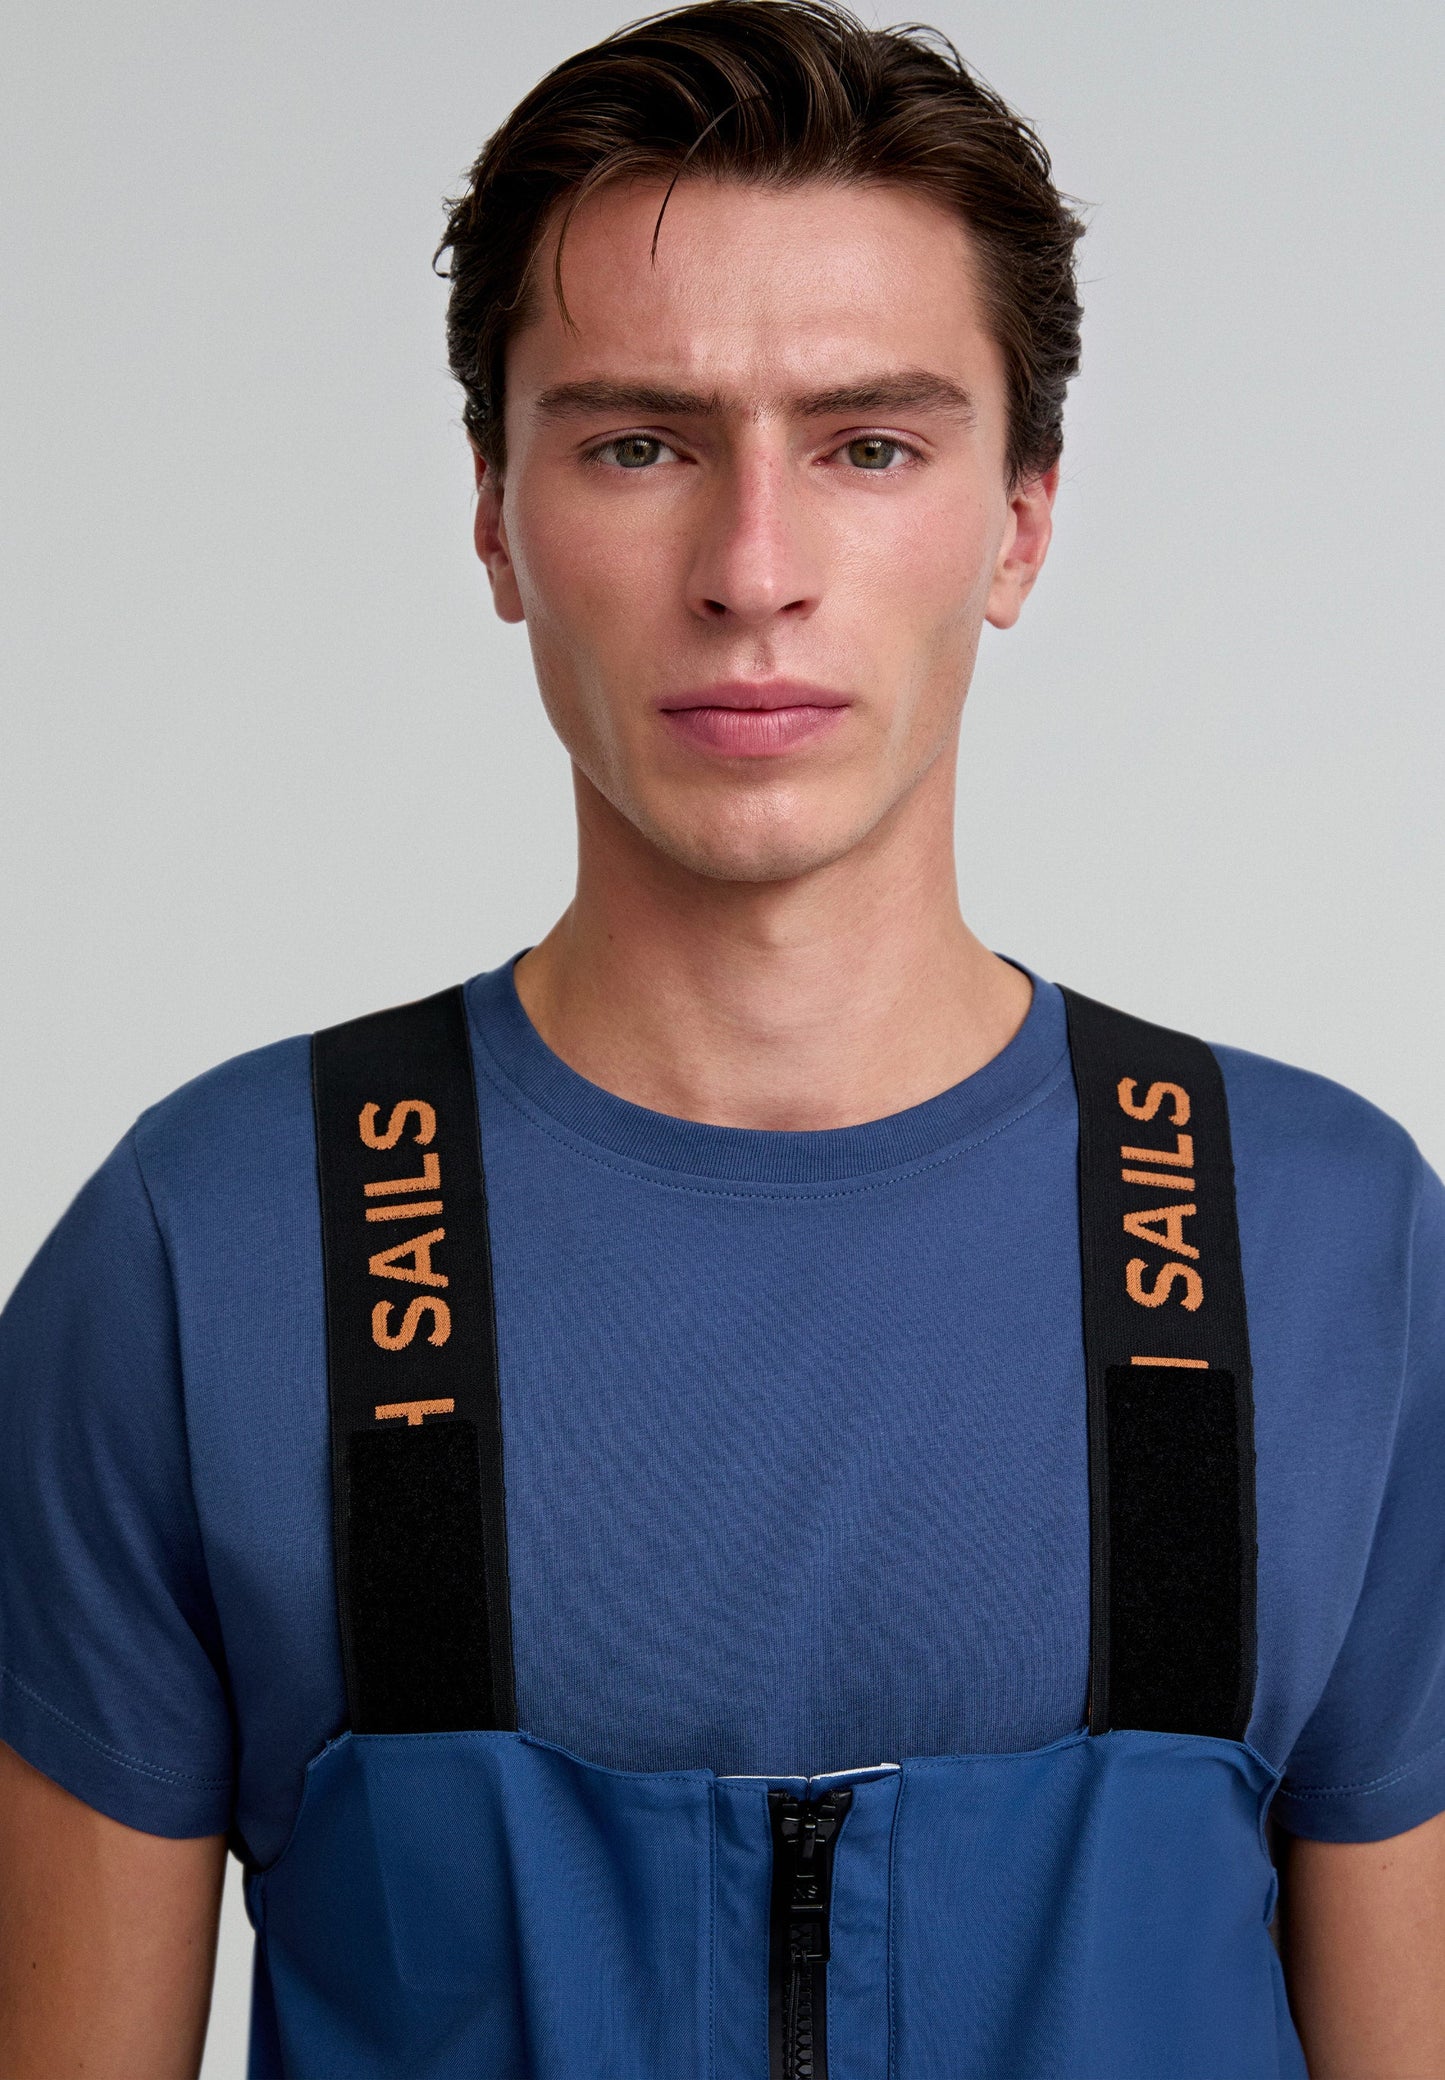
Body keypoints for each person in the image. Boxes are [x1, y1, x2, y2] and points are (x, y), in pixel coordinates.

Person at [2, 3, 1443, 2074]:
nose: (752, 571)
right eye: (639, 443)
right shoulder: (207, 1248)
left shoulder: (1327, 1248)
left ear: (1022, 517)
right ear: (495, 517)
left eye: (868, 444)